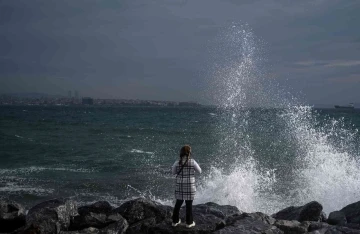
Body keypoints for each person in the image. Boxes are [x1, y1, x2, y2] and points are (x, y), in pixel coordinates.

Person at [171, 145, 202, 228]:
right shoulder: (193, 162)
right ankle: (189, 223)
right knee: (189, 205)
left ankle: (175, 221)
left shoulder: (177, 162)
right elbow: (200, 171)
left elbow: (173, 172)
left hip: (180, 186)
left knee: (178, 203)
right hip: (190, 186)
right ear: (189, 153)